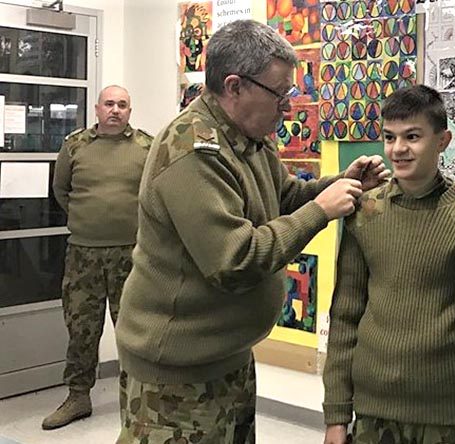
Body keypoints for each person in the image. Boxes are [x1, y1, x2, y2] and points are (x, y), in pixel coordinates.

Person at [113, 20, 388, 444]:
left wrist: (334, 183)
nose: (288, 107)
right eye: (280, 94)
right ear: (235, 86)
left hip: (226, 355)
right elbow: (233, 259)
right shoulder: (192, 152)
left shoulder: (247, 136)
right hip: (177, 376)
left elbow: (284, 194)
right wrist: (320, 211)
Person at [323, 85, 455, 444]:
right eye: (390, 137)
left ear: (442, 140)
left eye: (412, 137)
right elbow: (345, 315)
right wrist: (336, 414)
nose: (398, 149)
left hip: (446, 419)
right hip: (372, 415)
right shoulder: (364, 213)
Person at [43, 85, 152, 430]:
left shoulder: (147, 147)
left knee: (133, 331)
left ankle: (137, 402)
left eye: (122, 104)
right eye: (109, 104)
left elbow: (156, 193)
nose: (115, 110)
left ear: (130, 112)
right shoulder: (75, 145)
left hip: (132, 256)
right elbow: (62, 191)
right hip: (83, 255)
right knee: (81, 329)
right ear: (97, 108)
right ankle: (78, 396)